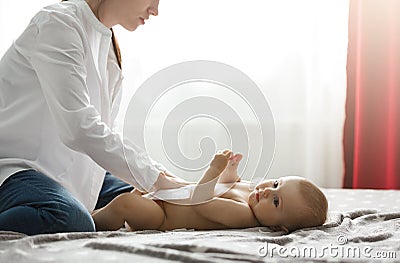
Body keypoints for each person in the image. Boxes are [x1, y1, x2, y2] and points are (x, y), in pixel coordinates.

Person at [0, 0, 183, 235]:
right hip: (17, 170)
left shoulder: (105, 43)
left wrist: (161, 179)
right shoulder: (58, 23)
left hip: (76, 170)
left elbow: (102, 131)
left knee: (156, 202)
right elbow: (79, 128)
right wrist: (155, 177)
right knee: (68, 218)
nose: (155, 10)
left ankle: (90, 212)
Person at [92, 151, 329, 233]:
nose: (267, 191)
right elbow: (227, 185)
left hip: (163, 217)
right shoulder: (250, 192)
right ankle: (96, 212)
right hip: (170, 194)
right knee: (145, 173)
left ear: (279, 227)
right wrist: (230, 171)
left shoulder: (244, 215)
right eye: (276, 183)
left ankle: (88, 224)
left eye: (276, 202)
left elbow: (200, 200)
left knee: (126, 204)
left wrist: (214, 170)